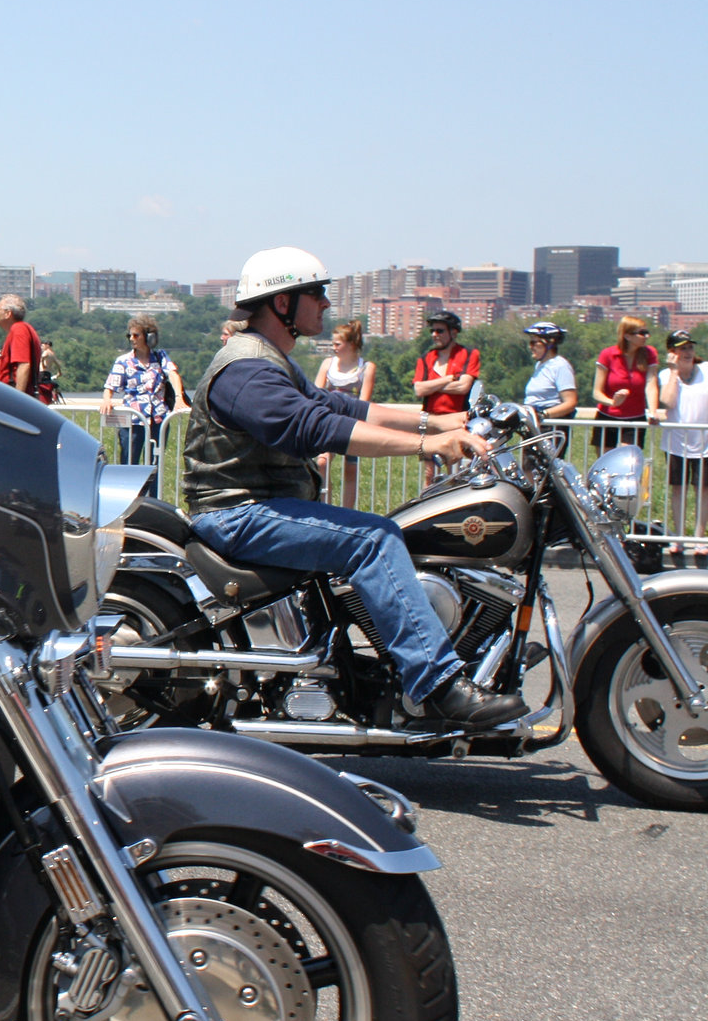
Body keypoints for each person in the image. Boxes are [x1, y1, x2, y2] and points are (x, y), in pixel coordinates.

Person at [181, 247, 524, 731]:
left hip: (263, 507)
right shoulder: (247, 370)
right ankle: (439, 685)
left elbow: (350, 410)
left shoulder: (273, 361)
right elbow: (316, 428)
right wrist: (431, 444)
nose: (325, 303)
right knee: (374, 539)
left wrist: (450, 419)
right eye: (316, 293)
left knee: (393, 530)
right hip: (236, 512)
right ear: (282, 303)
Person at [99, 314, 183, 467]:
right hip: (133, 420)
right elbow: (110, 386)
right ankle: (131, 491)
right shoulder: (123, 361)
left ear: (148, 337)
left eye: (136, 335)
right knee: (129, 462)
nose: (132, 338)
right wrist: (107, 400)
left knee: (154, 464)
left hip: (158, 418)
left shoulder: (160, 357)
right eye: (129, 335)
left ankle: (152, 491)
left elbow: (173, 374)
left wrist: (179, 399)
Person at [654, 330, 708, 559]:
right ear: (672, 353)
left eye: (689, 348)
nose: (687, 352)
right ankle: (678, 538)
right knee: (679, 489)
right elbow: (668, 402)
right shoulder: (666, 375)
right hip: (676, 443)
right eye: (681, 348)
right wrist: (675, 372)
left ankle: (698, 538)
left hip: (704, 442)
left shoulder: (705, 370)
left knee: (703, 490)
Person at [413, 310, 479, 486]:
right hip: (429, 420)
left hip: (456, 420)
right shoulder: (426, 358)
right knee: (429, 473)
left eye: (440, 331)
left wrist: (432, 385)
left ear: (453, 333)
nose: (435, 335)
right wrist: (447, 379)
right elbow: (419, 389)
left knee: (454, 471)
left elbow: (463, 387)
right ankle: (426, 506)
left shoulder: (468, 354)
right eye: (432, 331)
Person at [314, 319, 375, 508]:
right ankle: (326, 505)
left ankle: (348, 510)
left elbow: (364, 401)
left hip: (352, 422)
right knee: (322, 462)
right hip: (329, 420)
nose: (333, 348)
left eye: (337, 344)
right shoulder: (328, 364)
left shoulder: (366, 367)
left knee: (351, 468)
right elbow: (316, 392)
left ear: (351, 344)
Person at [592, 315, 658, 453]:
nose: (647, 336)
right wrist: (612, 402)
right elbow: (597, 393)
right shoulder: (607, 354)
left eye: (647, 332)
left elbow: (651, 384)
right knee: (605, 464)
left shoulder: (649, 353)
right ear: (627, 336)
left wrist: (652, 412)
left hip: (635, 418)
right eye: (642, 333)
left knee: (628, 461)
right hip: (607, 416)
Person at [0, 293, 48, 399]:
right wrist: (0, 366)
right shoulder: (23, 329)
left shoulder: (19, 330)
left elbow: (24, 365)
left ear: (8, 314)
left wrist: (18, 400)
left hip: (11, 398)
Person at [521, 321, 577, 421]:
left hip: (550, 424)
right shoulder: (540, 365)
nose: (530, 347)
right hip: (533, 416)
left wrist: (543, 415)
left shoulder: (560, 366)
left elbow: (570, 403)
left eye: (534, 343)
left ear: (549, 343)